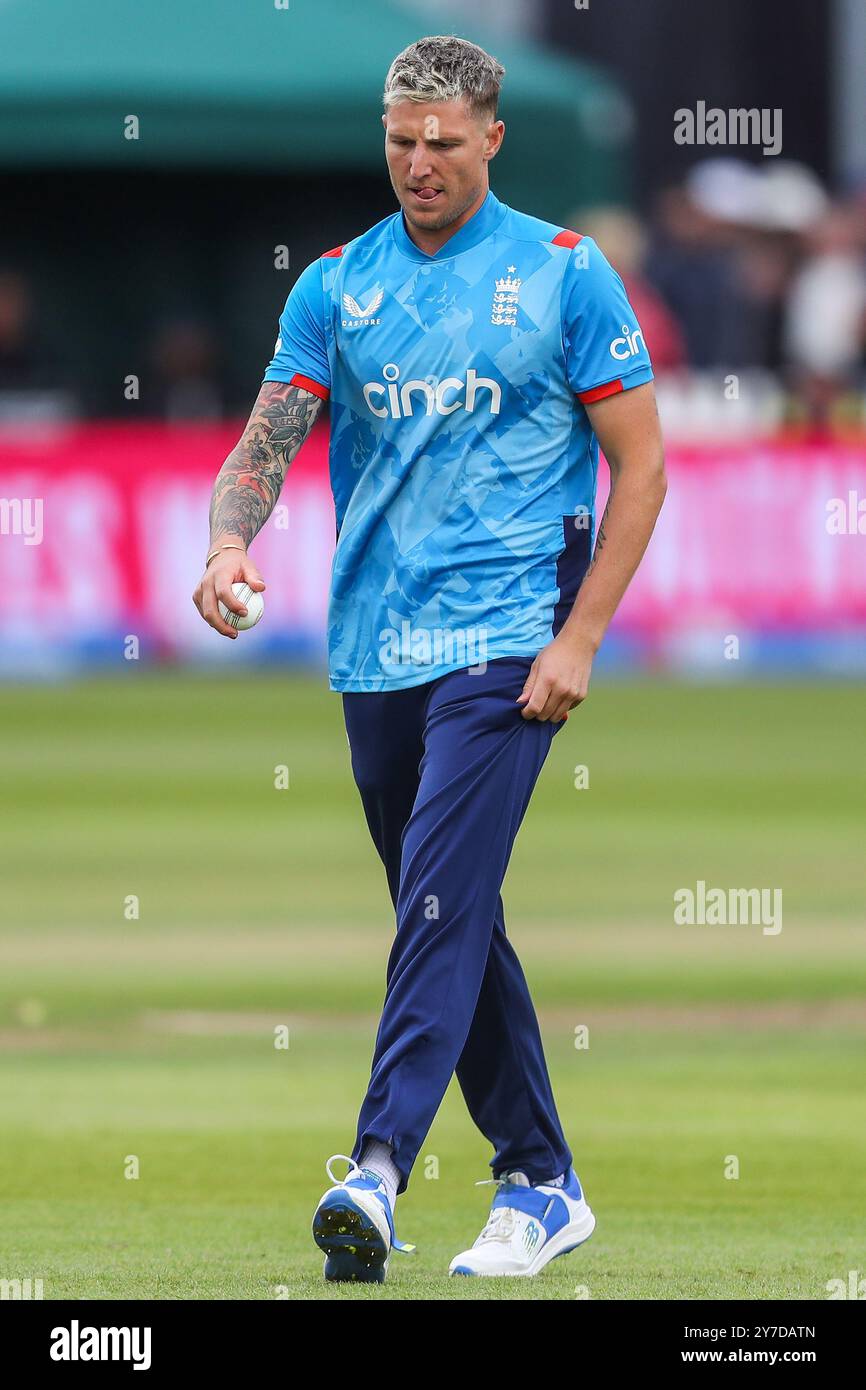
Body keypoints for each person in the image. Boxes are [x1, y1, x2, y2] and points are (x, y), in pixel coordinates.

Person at [193, 34, 666, 1282]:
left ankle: (377, 1169)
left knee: (436, 903)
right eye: (400, 142)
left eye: (443, 144)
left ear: (492, 138)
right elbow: (264, 441)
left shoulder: (564, 274)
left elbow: (644, 463)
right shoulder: (335, 285)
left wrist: (579, 638)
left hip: (509, 641)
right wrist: (228, 545)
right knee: (445, 913)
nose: (419, 163)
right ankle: (541, 1179)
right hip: (374, 647)